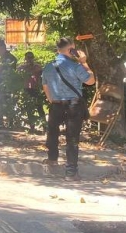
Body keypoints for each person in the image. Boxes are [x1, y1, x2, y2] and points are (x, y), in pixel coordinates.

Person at [41, 36, 96, 181]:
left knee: (52, 132)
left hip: (56, 104)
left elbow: (45, 86)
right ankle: (71, 172)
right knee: (72, 138)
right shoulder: (75, 66)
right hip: (73, 105)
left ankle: (52, 159)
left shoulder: (48, 66)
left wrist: (52, 99)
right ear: (71, 49)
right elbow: (90, 81)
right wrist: (84, 63)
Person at [0, 38, 18, 128]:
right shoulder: (5, 58)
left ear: (2, 48)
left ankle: (2, 120)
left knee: (0, 100)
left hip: (5, 84)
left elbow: (4, 72)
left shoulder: (9, 58)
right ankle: (7, 121)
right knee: (4, 101)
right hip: (4, 83)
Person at [19, 51, 45, 133]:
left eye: (31, 57)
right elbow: (18, 71)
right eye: (28, 57)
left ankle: (45, 126)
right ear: (25, 58)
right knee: (29, 109)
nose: (29, 59)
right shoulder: (22, 67)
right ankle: (32, 127)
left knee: (39, 108)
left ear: (33, 58)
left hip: (35, 89)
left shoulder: (37, 67)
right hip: (27, 89)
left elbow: (42, 75)